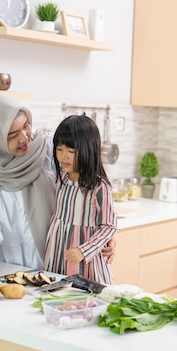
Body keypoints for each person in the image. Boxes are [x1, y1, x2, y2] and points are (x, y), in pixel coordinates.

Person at [0, 95, 115, 273]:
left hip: (63, 266)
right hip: (13, 270)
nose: (24, 138)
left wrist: (101, 236)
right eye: (12, 135)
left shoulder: (48, 148)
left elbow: (87, 191)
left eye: (26, 126)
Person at [44, 115, 117, 284]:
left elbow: (109, 226)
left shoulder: (99, 187)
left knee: (88, 297)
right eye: (59, 149)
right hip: (58, 250)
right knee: (57, 291)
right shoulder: (62, 177)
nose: (63, 157)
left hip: (86, 259)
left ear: (87, 150)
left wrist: (83, 251)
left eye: (71, 151)